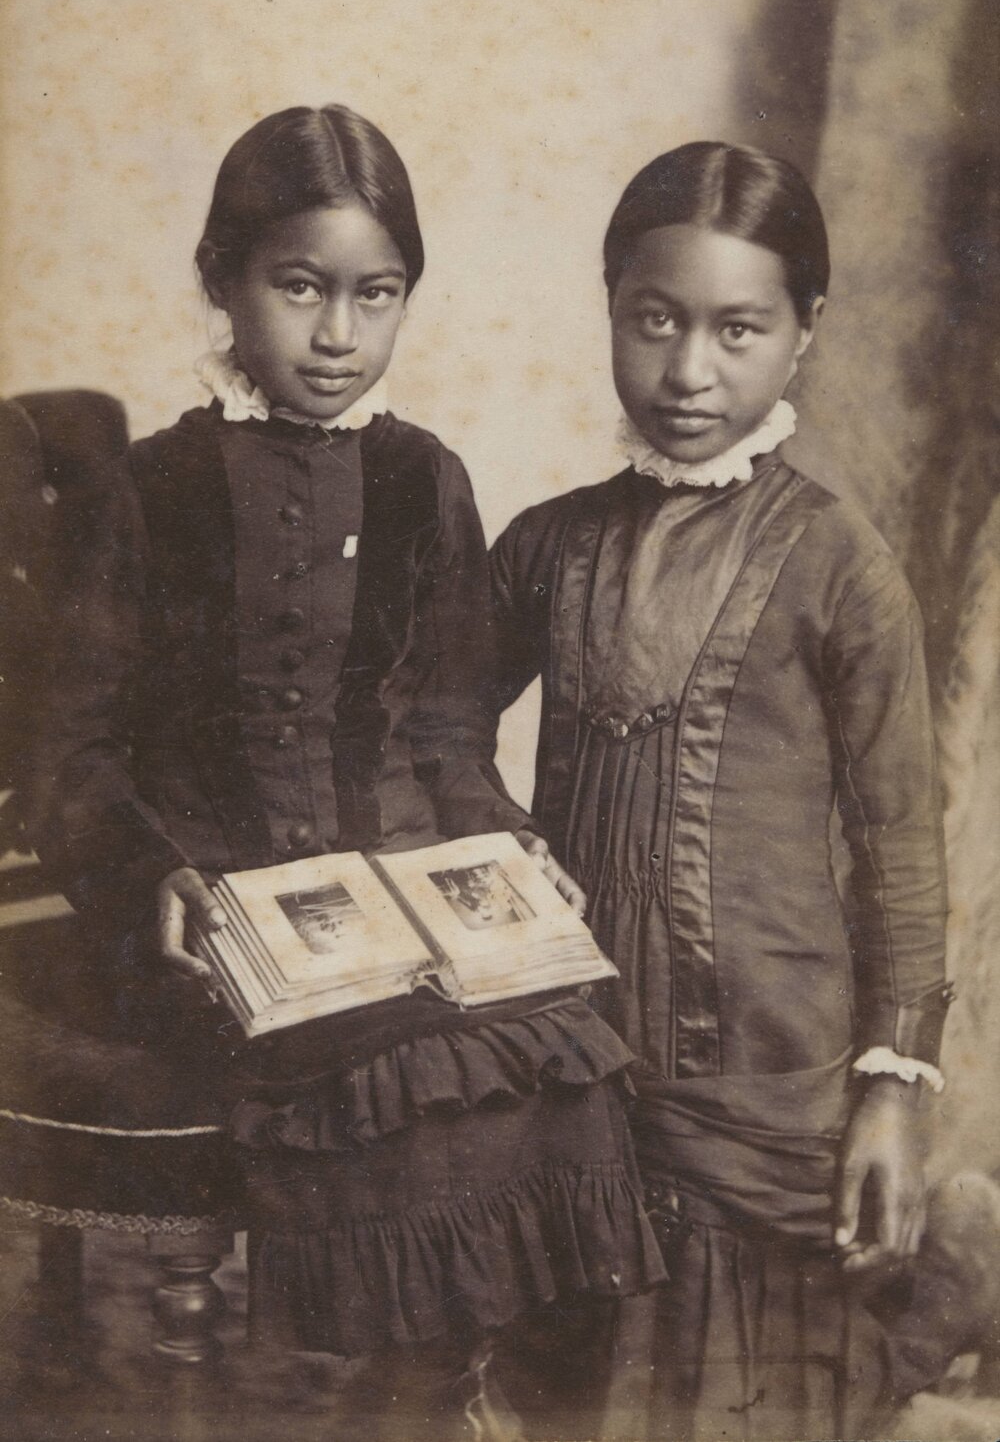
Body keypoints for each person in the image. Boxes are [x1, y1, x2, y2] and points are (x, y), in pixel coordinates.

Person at [38, 104, 664, 1438]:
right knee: (408, 1079)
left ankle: (480, 1414)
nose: (338, 335)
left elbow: (445, 732)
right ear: (223, 277)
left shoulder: (423, 477)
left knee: (569, 1057)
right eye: (301, 287)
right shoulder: (146, 490)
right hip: (212, 918)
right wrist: (153, 877)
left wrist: (504, 842)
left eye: (375, 296)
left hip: (401, 894)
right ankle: (394, 1407)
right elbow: (74, 753)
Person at [489, 142, 994, 1440]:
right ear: (611, 302)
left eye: (738, 328)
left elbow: (900, 851)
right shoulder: (547, 544)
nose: (689, 370)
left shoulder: (841, 563)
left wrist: (893, 1088)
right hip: (583, 1059)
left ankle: (941, 1284)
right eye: (656, 320)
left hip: (768, 1066)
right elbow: (420, 734)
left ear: (804, 332)